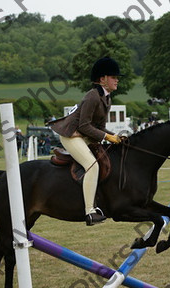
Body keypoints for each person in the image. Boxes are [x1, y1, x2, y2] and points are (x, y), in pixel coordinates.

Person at [47, 56, 123, 226]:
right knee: (92, 165)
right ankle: (90, 211)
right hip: (71, 135)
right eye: (113, 77)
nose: (117, 80)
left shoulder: (107, 98)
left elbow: (100, 127)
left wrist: (116, 137)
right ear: (102, 79)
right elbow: (85, 125)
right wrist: (107, 137)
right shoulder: (92, 96)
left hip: (84, 134)